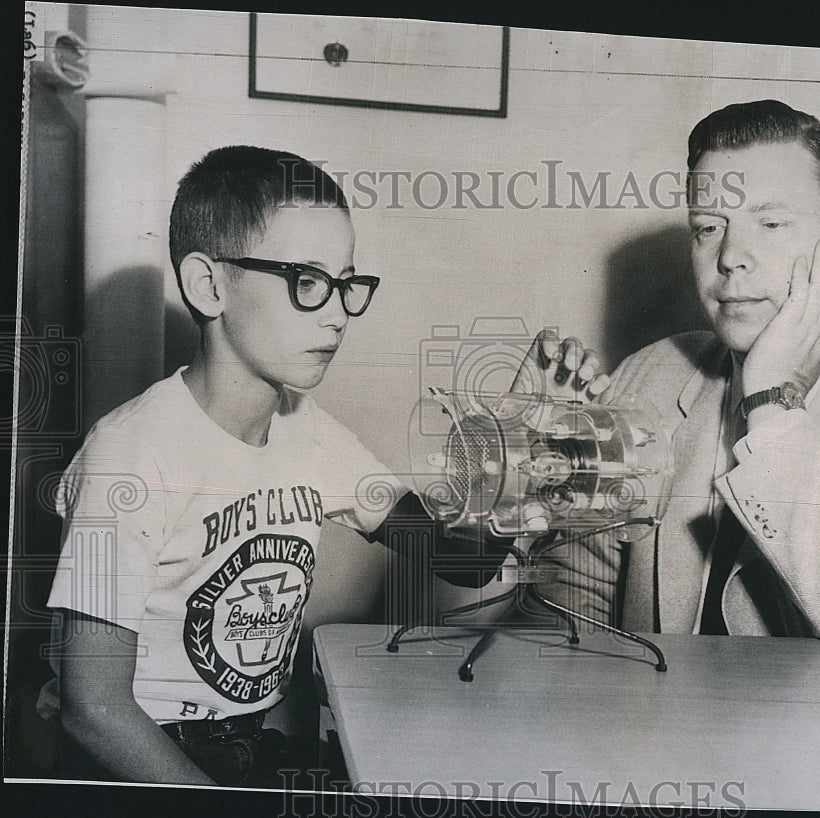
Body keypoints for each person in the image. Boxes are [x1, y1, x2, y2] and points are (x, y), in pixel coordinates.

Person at [37, 146, 596, 786]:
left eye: (346, 284)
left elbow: (462, 561)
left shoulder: (309, 432)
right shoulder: (130, 451)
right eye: (307, 281)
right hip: (130, 766)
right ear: (208, 284)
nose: (336, 314)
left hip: (240, 752)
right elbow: (93, 709)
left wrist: (520, 441)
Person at [535, 100, 820, 642]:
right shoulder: (650, 376)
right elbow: (571, 594)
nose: (730, 257)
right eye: (707, 227)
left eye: (770, 223)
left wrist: (771, 396)